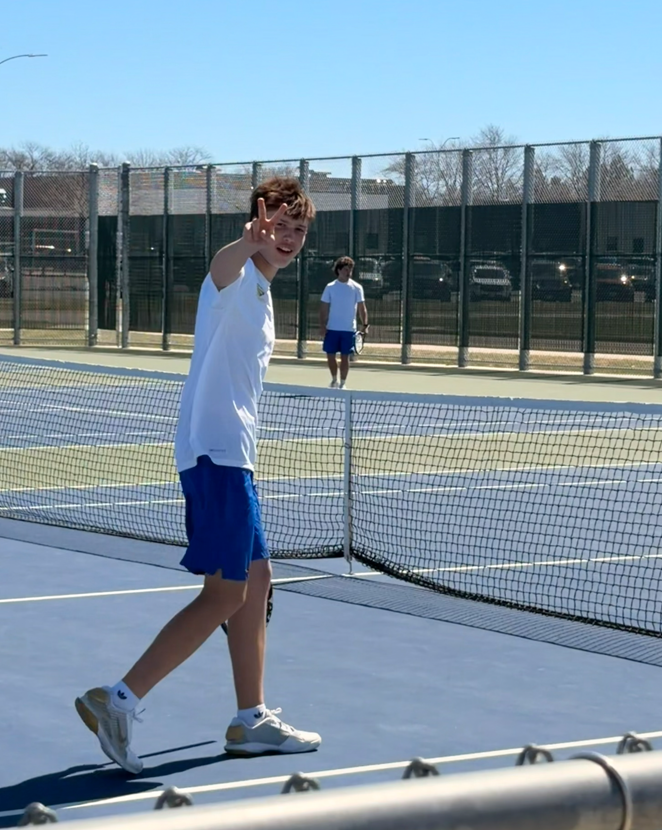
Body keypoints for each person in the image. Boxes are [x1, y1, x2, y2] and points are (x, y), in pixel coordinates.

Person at [75, 178, 321, 774]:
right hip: (216, 455)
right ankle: (119, 700)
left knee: (257, 580)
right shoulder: (233, 281)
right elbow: (219, 266)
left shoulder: (261, 290)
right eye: (277, 226)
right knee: (226, 592)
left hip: (234, 455)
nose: (286, 238)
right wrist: (244, 243)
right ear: (257, 224)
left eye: (297, 231)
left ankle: (250, 719)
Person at [320, 257, 369, 388]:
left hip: (348, 330)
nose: (348, 272)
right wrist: (322, 325)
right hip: (332, 329)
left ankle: (343, 383)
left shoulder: (357, 288)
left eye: (350, 270)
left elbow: (361, 308)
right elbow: (324, 308)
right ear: (339, 270)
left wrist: (365, 324)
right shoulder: (330, 287)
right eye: (346, 269)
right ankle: (334, 379)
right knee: (330, 356)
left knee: (345, 357)